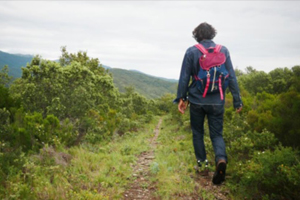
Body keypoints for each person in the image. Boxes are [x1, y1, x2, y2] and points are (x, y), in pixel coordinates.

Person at [174, 22, 243, 185]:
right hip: (217, 101)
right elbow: (231, 76)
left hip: (197, 100)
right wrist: (237, 100)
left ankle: (202, 164)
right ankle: (220, 159)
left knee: (198, 132)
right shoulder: (223, 50)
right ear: (212, 34)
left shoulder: (191, 51)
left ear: (196, 36)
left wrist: (181, 98)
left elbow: (185, 77)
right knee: (217, 134)